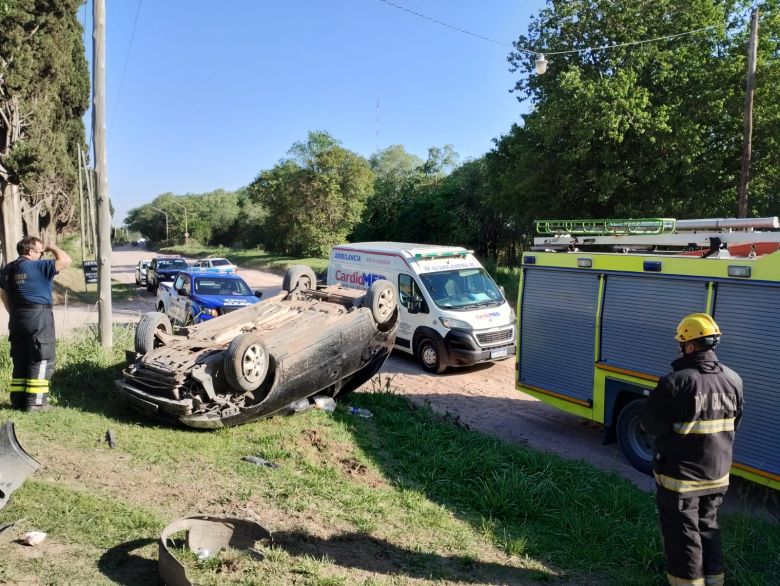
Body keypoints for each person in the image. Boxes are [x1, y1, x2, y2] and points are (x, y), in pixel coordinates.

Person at [640, 313, 743, 586]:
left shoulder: (676, 382)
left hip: (681, 479)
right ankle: (714, 581)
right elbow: (735, 423)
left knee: (683, 535)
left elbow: (651, 425)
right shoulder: (734, 380)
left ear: (690, 346)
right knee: (709, 528)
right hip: (718, 475)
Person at [0, 236, 72, 411]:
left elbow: (3, 295)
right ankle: (36, 403)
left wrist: (14, 313)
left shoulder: (7, 269)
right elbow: (66, 260)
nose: (42, 254)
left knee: (21, 359)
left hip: (17, 317)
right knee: (41, 358)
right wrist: (51, 246)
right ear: (31, 252)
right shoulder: (39, 266)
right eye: (40, 251)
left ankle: (18, 401)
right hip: (39, 316)